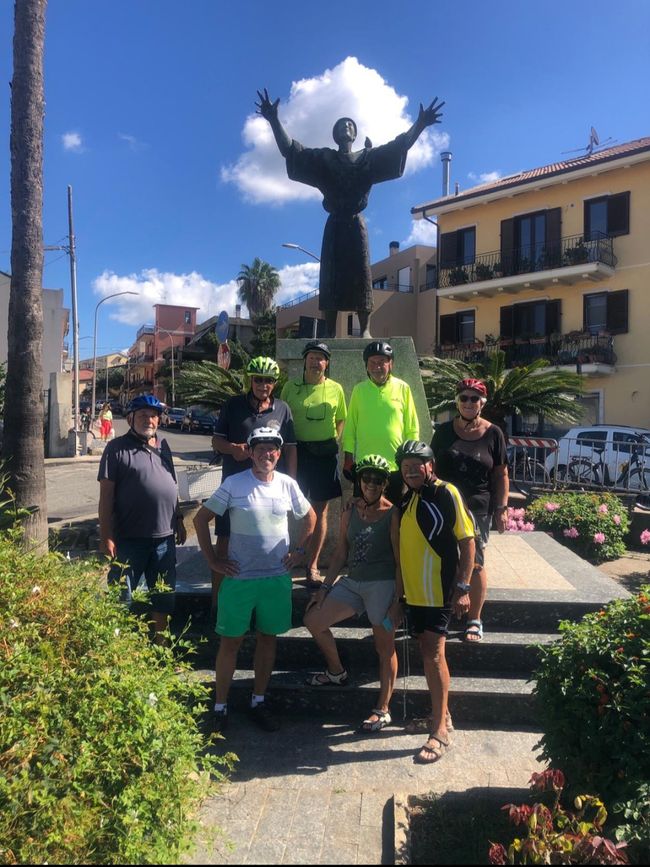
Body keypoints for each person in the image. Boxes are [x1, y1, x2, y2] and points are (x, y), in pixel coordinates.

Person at [256, 88, 444, 337]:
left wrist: (420, 124)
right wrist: (273, 120)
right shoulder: (324, 160)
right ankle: (331, 330)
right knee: (330, 277)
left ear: (354, 133)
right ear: (335, 135)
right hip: (334, 225)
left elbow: (399, 147)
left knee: (362, 274)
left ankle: (365, 328)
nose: (345, 127)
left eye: (349, 124)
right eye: (341, 125)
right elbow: (290, 151)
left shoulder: (368, 158)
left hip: (356, 224)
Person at [193, 427, 316, 733]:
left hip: (275, 580)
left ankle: (258, 700)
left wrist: (299, 550)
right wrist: (212, 560)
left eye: (273, 448)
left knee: (267, 640)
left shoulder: (287, 484)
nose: (267, 454)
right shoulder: (234, 483)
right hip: (240, 579)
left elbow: (310, 517)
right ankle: (220, 707)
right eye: (260, 448)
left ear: (279, 453)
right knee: (230, 643)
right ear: (250, 451)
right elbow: (200, 519)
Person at [304, 455, 402, 732]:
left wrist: (398, 601)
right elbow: (340, 553)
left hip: (381, 584)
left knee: (384, 647)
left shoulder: (392, 514)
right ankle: (336, 672)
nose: (371, 484)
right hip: (353, 581)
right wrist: (325, 588)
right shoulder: (350, 511)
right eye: (366, 479)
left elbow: (399, 560)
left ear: (385, 484)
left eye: (377, 480)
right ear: (359, 481)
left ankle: (383, 708)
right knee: (313, 620)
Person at [395, 440, 475, 764]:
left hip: (438, 590)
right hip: (415, 593)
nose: (412, 469)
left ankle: (439, 729)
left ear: (431, 466)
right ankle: (443, 715)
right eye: (406, 465)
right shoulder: (408, 499)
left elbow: (467, 542)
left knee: (434, 654)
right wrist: (400, 596)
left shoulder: (446, 493)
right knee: (429, 655)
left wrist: (463, 587)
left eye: (418, 463)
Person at [209, 356, 298, 614]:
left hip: (270, 490)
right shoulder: (233, 405)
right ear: (250, 380)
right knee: (224, 543)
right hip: (234, 487)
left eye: (268, 380)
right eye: (258, 380)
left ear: (274, 383)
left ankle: (262, 606)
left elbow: (291, 450)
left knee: (269, 543)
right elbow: (216, 441)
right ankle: (216, 604)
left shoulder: (283, 409)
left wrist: (292, 484)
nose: (263, 385)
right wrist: (232, 449)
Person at [98, 394, 187, 641]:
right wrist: (106, 536)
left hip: (164, 540)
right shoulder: (116, 448)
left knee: (163, 599)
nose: (149, 420)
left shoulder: (163, 447)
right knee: (121, 599)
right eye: (143, 415)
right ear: (130, 419)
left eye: (153, 415)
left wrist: (178, 518)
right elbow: (106, 496)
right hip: (128, 540)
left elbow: (172, 484)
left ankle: (160, 648)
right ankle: (116, 651)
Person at [431, 378, 509, 642]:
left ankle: (474, 618)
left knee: (475, 562)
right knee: (444, 557)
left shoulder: (493, 433)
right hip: (445, 505)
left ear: (482, 403)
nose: (468, 403)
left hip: (478, 507)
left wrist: (502, 507)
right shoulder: (443, 431)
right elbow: (431, 468)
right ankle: (442, 609)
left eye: (474, 399)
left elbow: (501, 474)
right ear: (457, 401)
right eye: (463, 398)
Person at [281, 340, 347, 588]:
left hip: (323, 456)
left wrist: (329, 439)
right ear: (304, 360)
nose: (316, 361)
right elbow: (282, 417)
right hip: (296, 453)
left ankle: (312, 565)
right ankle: (287, 558)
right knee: (287, 506)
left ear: (326, 363)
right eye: (312, 356)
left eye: (321, 357)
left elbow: (341, 419)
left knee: (320, 511)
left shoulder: (336, 389)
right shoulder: (290, 387)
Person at [343, 340, 419, 503]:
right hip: (365, 466)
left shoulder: (403, 388)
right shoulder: (359, 390)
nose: (377, 366)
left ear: (390, 364)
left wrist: (412, 458)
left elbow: (412, 426)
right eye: (373, 362)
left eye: (382, 362)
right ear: (367, 365)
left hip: (395, 466)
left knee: (394, 513)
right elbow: (350, 427)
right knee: (363, 512)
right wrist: (348, 457)